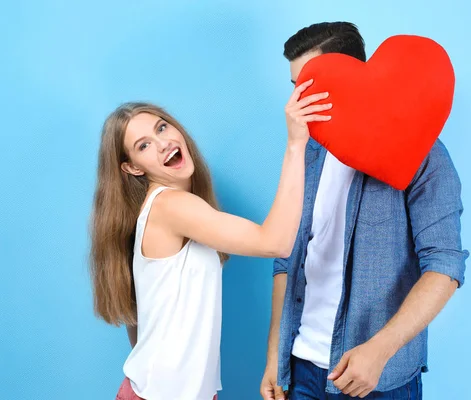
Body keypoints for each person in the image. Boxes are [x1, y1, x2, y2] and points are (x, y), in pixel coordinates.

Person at [260, 22, 469, 400]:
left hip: (378, 380)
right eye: (294, 90)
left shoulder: (425, 155)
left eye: (307, 87)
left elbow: (445, 266)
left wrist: (380, 350)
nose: (294, 105)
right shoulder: (305, 152)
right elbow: (285, 256)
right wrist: (275, 353)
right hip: (302, 369)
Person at [90, 80, 332, 400]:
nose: (162, 143)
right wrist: (296, 144)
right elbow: (275, 242)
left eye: (162, 128)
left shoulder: (159, 210)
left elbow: (139, 320)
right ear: (133, 168)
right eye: (143, 145)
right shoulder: (170, 206)